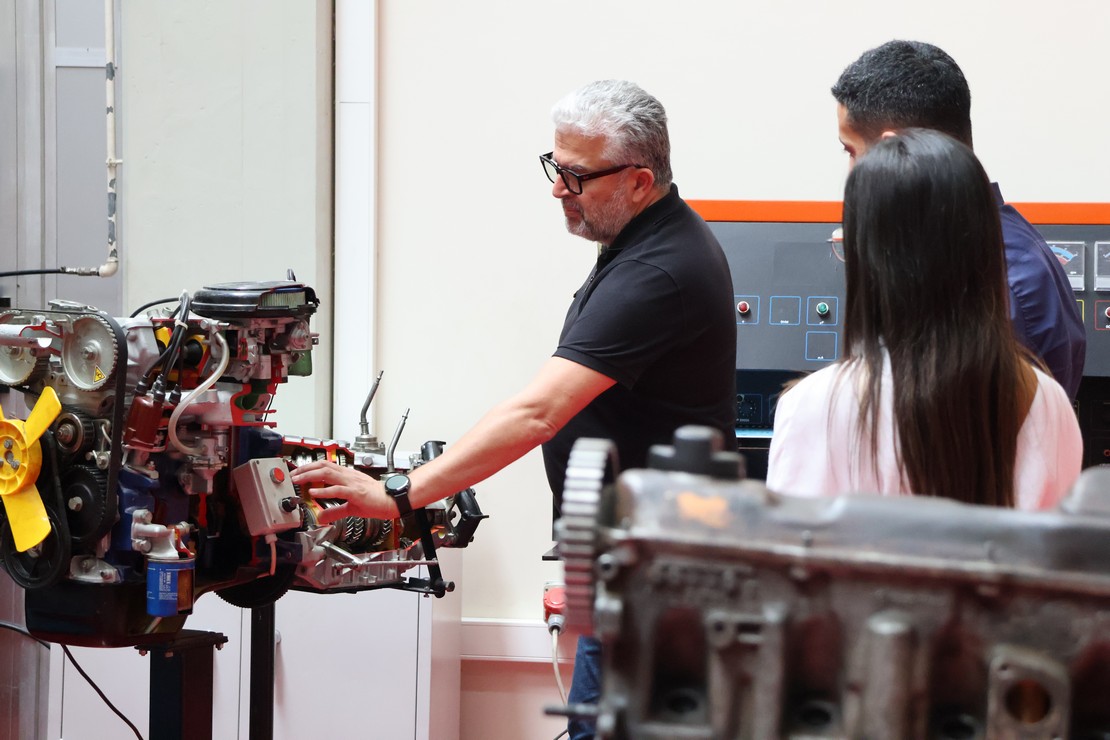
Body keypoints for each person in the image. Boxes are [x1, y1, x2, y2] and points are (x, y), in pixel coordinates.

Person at [291, 79, 737, 740]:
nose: (558, 189)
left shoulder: (660, 270)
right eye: (555, 166)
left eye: (577, 175)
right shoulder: (643, 242)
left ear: (640, 182)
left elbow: (537, 413)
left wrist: (397, 494)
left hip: (659, 586)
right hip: (633, 571)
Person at [766, 129, 1082, 509]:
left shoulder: (813, 407)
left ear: (870, 257)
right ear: (984, 246)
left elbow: (796, 541)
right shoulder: (1047, 402)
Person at [831, 40, 1085, 400]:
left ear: (894, 149)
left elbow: (972, 428)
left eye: (851, 151)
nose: (850, 175)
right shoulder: (985, 249)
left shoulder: (994, 286)